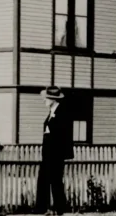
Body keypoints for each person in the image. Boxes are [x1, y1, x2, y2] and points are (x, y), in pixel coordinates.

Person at [36, 86, 73, 215]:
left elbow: (63, 134)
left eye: (46, 98)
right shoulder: (52, 112)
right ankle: (43, 208)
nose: (44, 100)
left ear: (53, 99)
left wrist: (49, 133)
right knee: (45, 180)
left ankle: (59, 209)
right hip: (48, 153)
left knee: (55, 180)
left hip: (56, 153)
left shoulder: (62, 112)